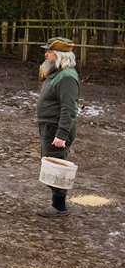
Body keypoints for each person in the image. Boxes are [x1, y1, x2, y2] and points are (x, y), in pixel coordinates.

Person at [36, 37, 80, 217]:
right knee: (49, 163)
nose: (46, 55)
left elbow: (69, 108)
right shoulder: (57, 73)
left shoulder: (67, 77)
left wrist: (61, 135)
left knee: (57, 166)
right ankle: (57, 204)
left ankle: (59, 207)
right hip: (50, 126)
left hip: (56, 128)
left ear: (60, 55)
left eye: (50, 52)